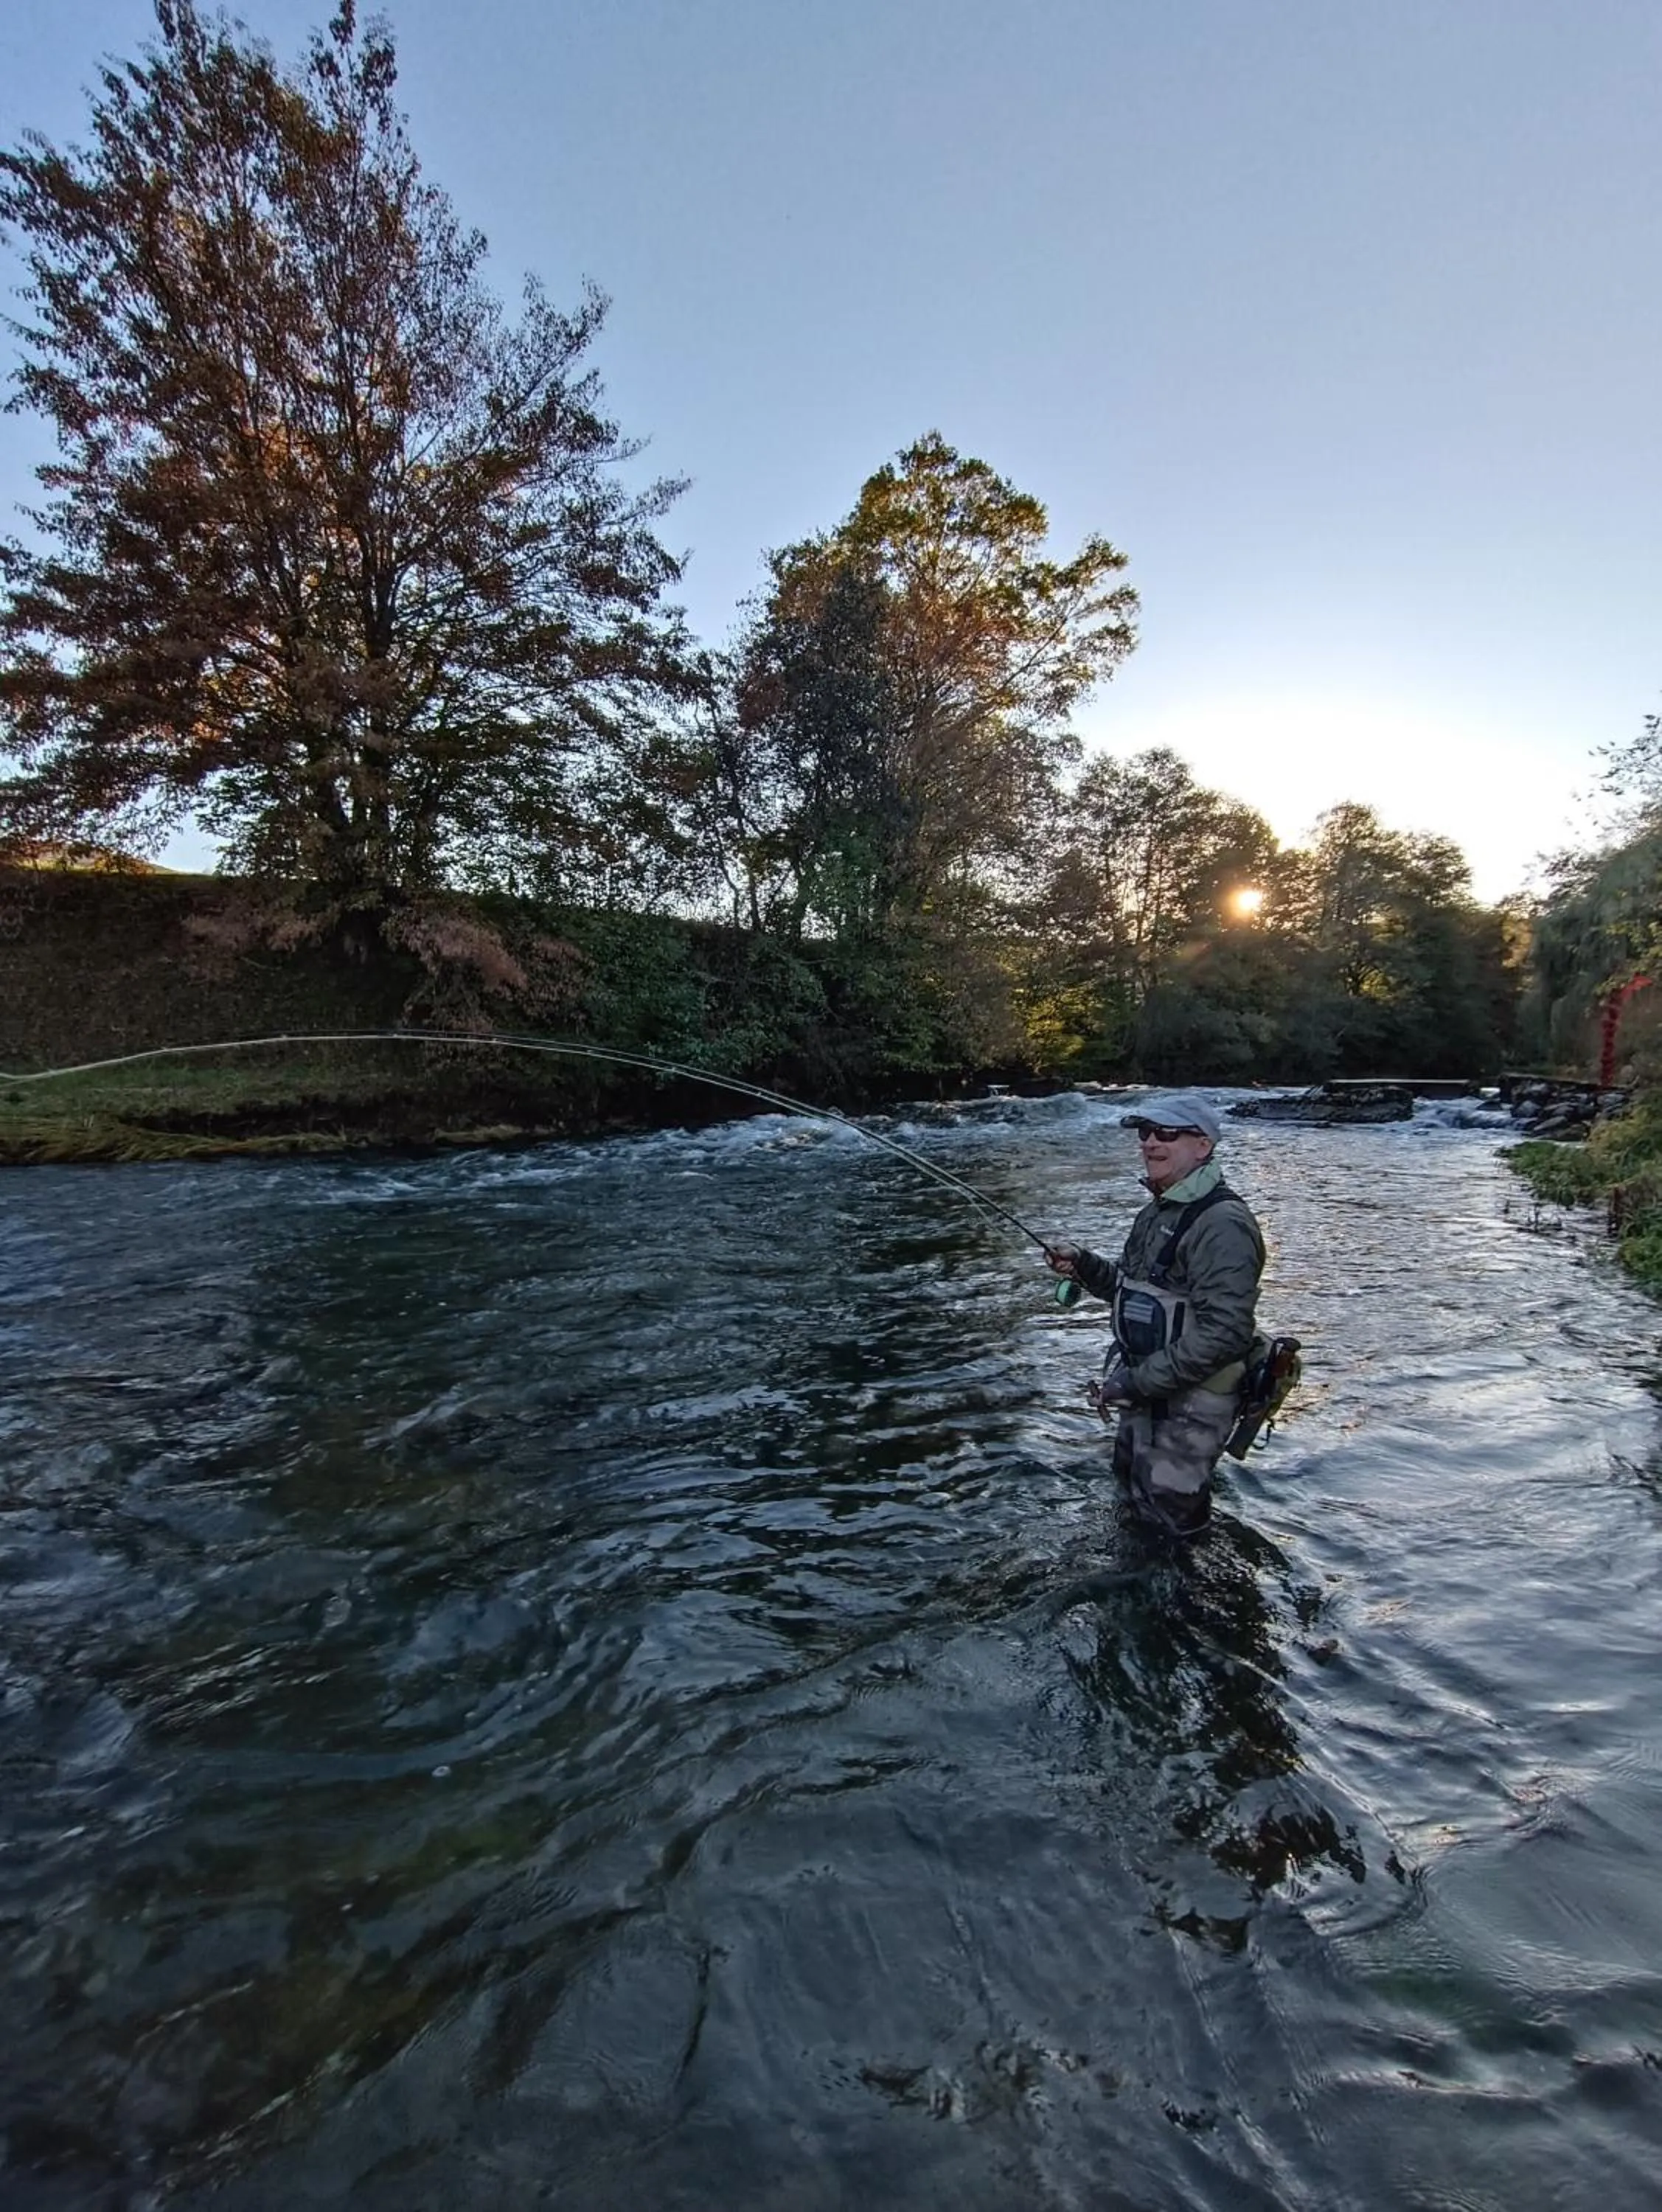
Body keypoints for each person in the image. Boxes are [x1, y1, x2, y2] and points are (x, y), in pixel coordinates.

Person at [1045, 1091, 1265, 1539]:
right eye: (1146, 1133)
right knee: (1132, 1504)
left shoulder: (1224, 1225)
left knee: (1174, 1533)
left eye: (1166, 1133)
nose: (1149, 1143)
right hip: (1149, 1390)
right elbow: (1133, 1291)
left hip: (1191, 1401)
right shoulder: (1158, 1210)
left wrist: (1136, 1383)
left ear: (1203, 1145)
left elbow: (1226, 1332)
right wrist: (1084, 1265)